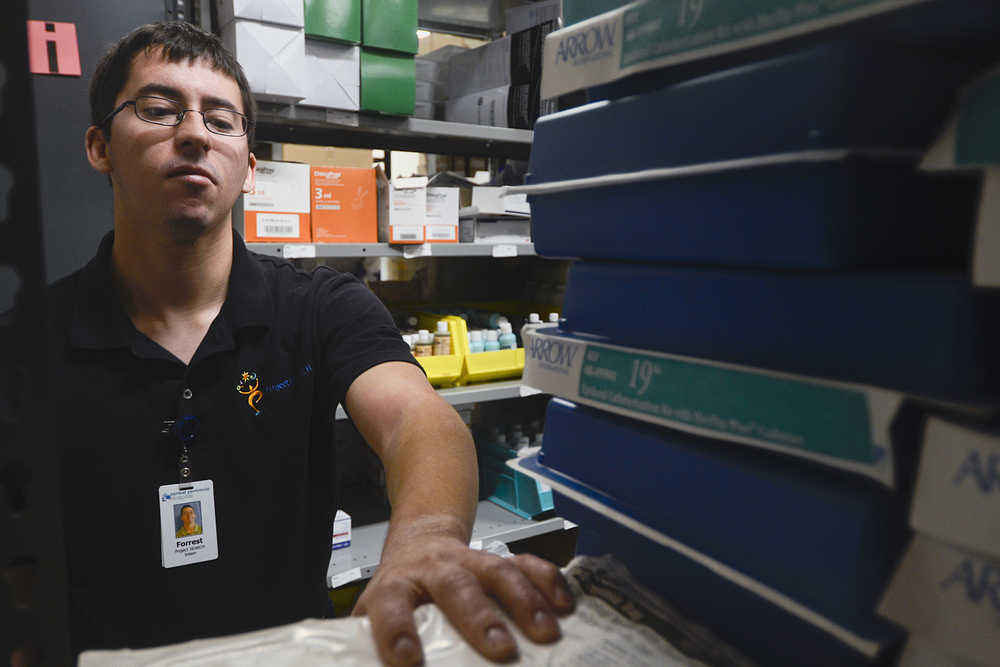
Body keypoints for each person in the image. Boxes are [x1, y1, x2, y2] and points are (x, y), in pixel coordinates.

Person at [43, 21, 572, 665]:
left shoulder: (321, 307)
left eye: (221, 120)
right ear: (99, 146)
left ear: (249, 168)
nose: (192, 134)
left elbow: (417, 419)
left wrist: (429, 538)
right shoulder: (34, 335)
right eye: (158, 110)